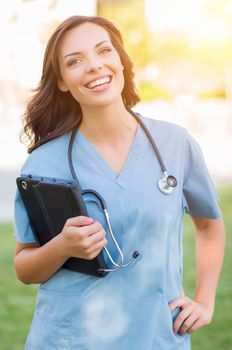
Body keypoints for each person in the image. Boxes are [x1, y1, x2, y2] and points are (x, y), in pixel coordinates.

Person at [14, 15, 225, 350]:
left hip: (155, 336)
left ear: (122, 62)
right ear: (63, 82)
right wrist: (63, 247)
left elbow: (209, 224)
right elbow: (24, 267)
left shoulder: (175, 144)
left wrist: (205, 300)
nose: (94, 66)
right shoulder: (43, 163)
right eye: (75, 61)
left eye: (103, 51)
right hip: (70, 340)